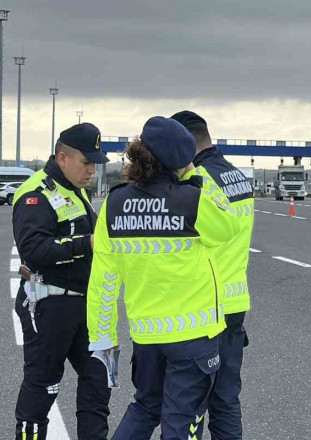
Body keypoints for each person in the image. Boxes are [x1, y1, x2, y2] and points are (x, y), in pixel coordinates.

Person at [87, 117, 241, 440]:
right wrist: (196, 175)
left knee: (144, 408)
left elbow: (103, 279)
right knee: (180, 423)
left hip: (146, 336)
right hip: (193, 336)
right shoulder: (192, 201)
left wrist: (102, 338)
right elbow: (229, 226)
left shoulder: (114, 204)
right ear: (181, 162)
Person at [12, 123, 111, 440]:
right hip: (49, 303)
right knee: (43, 387)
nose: (92, 171)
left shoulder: (77, 190)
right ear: (62, 157)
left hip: (87, 305)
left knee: (100, 379)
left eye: (95, 164)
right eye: (87, 162)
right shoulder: (34, 194)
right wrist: (88, 244)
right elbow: (34, 250)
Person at [172, 110, 254, 440]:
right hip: (235, 303)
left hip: (204, 304)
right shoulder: (239, 177)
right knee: (226, 399)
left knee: (191, 402)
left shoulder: (197, 180)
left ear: (186, 142)